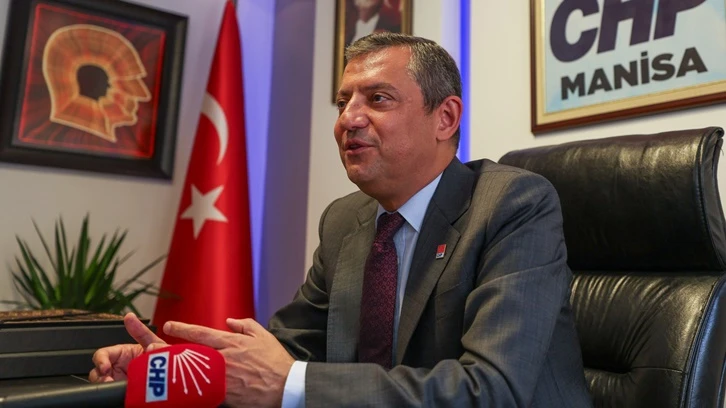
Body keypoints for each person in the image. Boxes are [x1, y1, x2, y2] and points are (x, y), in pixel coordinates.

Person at [89, 33, 593, 407]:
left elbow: (492, 390)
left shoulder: (513, 205)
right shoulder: (345, 220)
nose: (348, 119)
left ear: (445, 118)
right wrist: (177, 369)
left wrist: (290, 384)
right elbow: (286, 349)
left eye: (377, 99)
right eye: (343, 101)